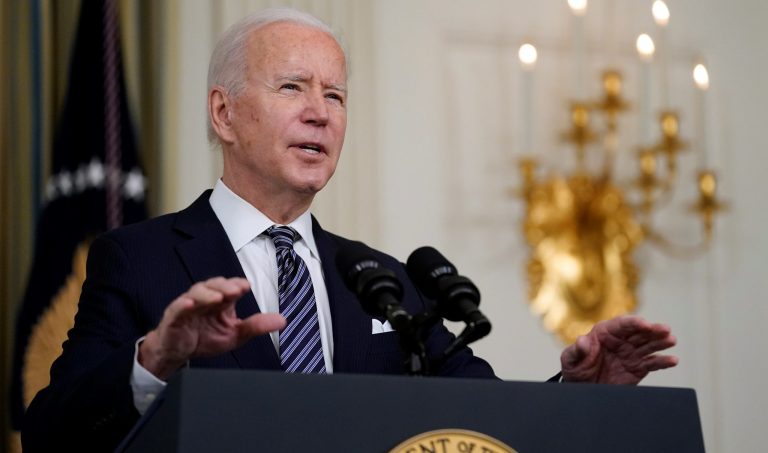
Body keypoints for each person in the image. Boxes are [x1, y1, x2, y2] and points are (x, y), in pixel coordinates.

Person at [22, 7, 678, 451]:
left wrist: (580, 394)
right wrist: (154, 361)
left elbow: (484, 419)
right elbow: (50, 432)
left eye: (335, 96)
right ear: (224, 113)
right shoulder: (137, 258)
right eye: (293, 88)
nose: (321, 114)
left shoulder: (383, 279)